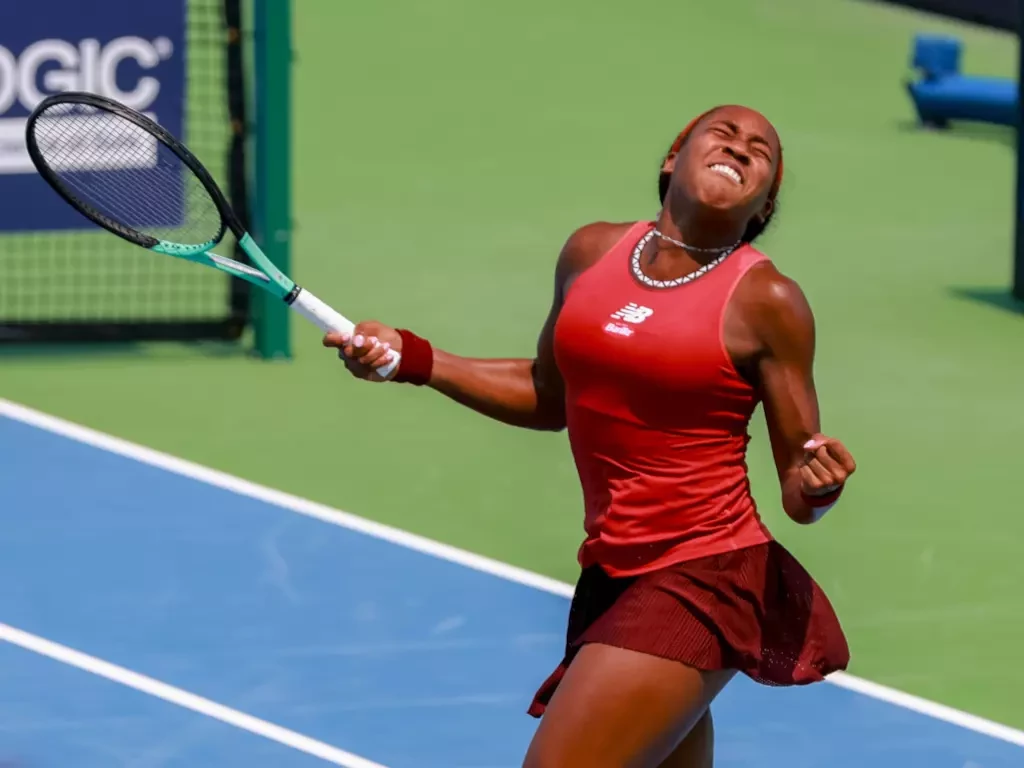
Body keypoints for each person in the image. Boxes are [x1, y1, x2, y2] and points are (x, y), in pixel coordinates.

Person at [322, 104, 857, 768]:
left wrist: (821, 489)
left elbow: (800, 487)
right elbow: (551, 395)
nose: (741, 147)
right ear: (673, 157)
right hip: (611, 569)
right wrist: (415, 358)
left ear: (764, 203)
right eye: (723, 133)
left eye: (761, 151)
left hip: (702, 572)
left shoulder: (768, 301)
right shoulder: (591, 252)